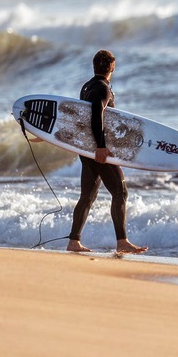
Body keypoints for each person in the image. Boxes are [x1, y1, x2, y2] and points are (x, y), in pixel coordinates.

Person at [67, 50, 148, 255]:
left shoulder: (87, 86)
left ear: (94, 66)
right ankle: (122, 241)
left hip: (87, 149)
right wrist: (101, 146)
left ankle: (74, 241)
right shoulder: (102, 88)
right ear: (112, 66)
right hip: (98, 149)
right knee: (121, 192)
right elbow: (96, 115)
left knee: (87, 195)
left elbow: (81, 117)